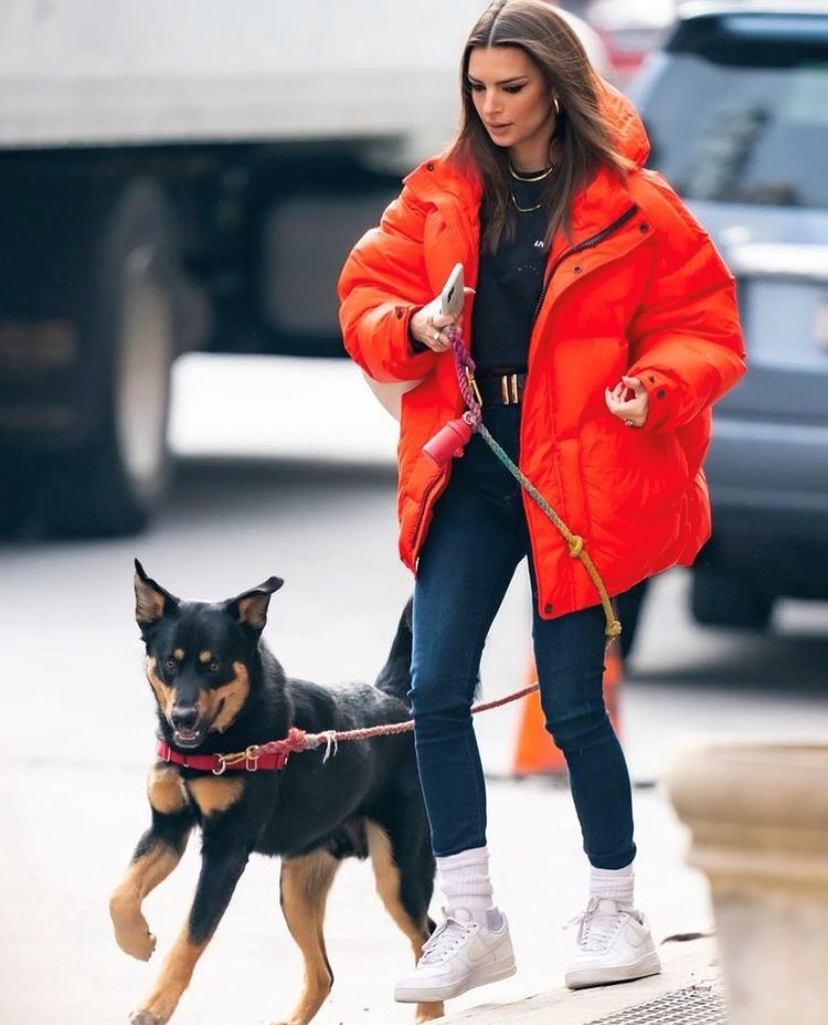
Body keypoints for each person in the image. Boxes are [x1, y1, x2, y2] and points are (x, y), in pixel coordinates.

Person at [338, 0, 745, 1006]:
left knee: (571, 704)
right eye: (478, 89)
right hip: (472, 462)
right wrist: (411, 325)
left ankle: (617, 906)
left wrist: (652, 385)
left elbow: (703, 325)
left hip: (578, 473)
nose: (494, 106)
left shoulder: (633, 204)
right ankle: (468, 916)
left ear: (558, 87)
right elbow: (363, 295)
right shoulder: (440, 195)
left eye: (512, 88)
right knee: (434, 689)